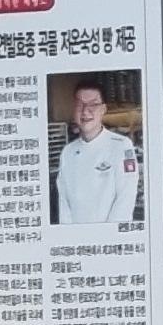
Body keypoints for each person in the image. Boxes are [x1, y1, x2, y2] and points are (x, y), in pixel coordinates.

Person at [53, 81, 140, 225]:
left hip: (108, 235)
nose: (85, 111)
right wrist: (68, 233)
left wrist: (108, 234)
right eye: (80, 105)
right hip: (76, 235)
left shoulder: (121, 146)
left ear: (103, 109)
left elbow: (126, 197)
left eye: (93, 105)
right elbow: (64, 202)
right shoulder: (68, 152)